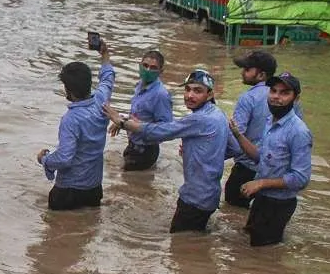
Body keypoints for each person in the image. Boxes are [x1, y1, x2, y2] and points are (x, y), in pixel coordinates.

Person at [105, 69, 240, 233]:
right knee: (194, 243)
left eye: (197, 91)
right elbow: (235, 148)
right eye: (187, 89)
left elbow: (160, 131)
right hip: (210, 196)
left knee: (178, 249)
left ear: (210, 95)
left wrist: (121, 121)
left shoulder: (199, 118)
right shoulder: (219, 114)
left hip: (194, 198)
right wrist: (205, 154)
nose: (190, 95)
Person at [228, 72, 312, 247]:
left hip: (278, 205)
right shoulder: (270, 121)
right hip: (262, 199)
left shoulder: (298, 132)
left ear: (296, 99)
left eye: (284, 93)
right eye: (273, 91)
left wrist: (260, 183)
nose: (276, 97)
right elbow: (261, 157)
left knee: (262, 254)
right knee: (250, 248)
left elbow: (301, 178)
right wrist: (238, 135)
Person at [36, 38, 116, 210]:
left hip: (68, 191)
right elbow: (108, 79)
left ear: (68, 90)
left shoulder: (70, 119)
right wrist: (105, 55)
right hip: (94, 188)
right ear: (89, 84)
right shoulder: (101, 101)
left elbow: (65, 158)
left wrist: (44, 159)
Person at [224, 49, 276, 208]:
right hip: (273, 172)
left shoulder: (248, 98)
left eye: (247, 69)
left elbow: (235, 137)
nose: (242, 73)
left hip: (247, 169)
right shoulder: (285, 98)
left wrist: (214, 157)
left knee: (231, 213)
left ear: (261, 75)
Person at [113, 50, 173, 171]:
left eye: (153, 68)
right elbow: (137, 114)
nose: (148, 70)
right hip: (133, 144)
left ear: (161, 72)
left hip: (146, 150)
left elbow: (167, 129)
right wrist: (123, 121)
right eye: (145, 66)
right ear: (139, 66)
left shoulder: (160, 95)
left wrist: (138, 126)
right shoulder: (140, 85)